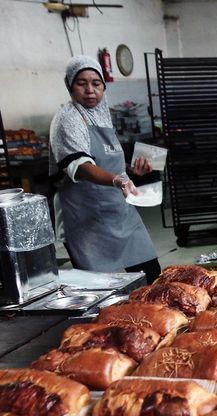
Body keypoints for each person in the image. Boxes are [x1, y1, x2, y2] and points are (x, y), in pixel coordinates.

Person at [49, 55, 161, 283]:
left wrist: (131, 170)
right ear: (70, 86)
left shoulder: (102, 116)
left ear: (103, 86)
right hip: (85, 219)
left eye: (96, 83)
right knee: (101, 289)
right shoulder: (67, 120)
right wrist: (117, 181)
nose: (90, 90)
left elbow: (108, 161)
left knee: (151, 276)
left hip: (119, 211)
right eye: (81, 83)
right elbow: (80, 166)